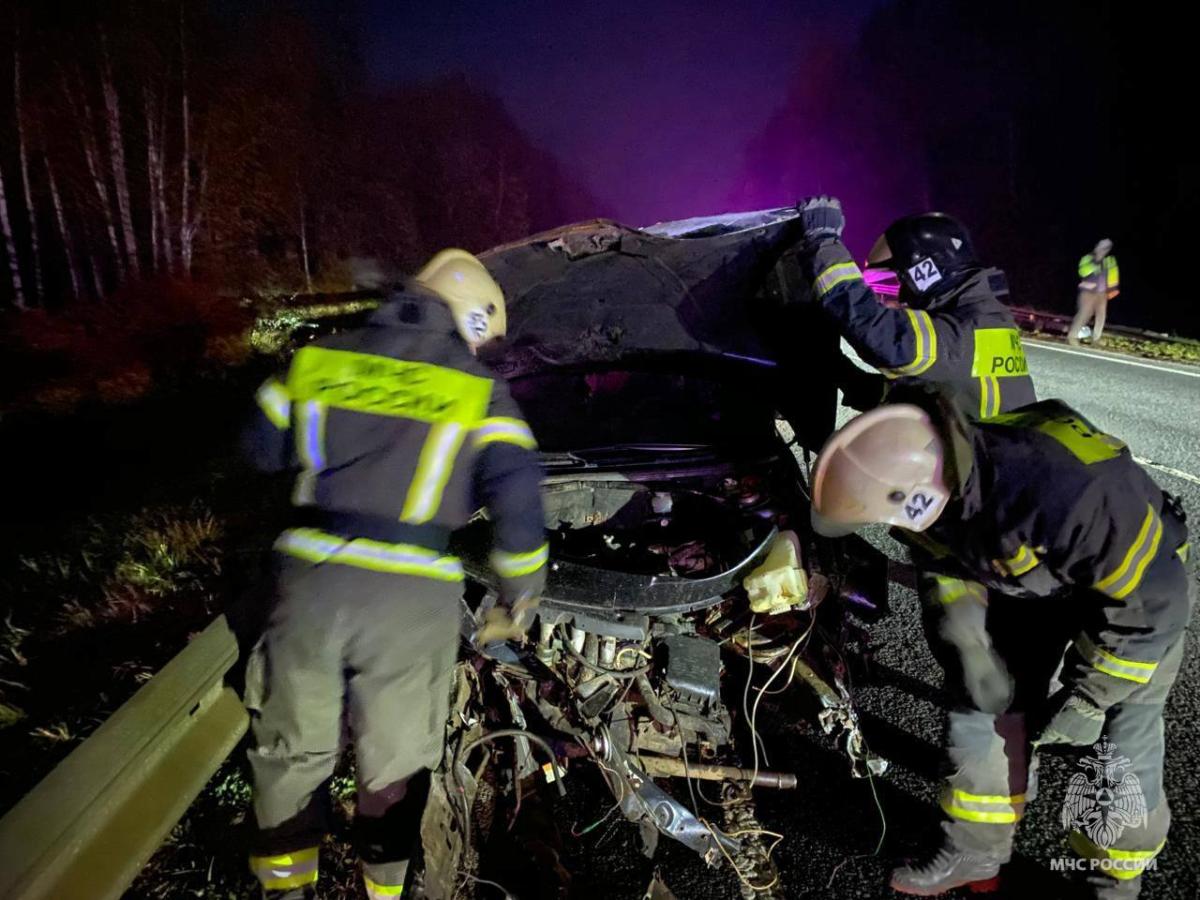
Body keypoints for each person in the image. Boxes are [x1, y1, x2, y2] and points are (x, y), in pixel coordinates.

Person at [241, 249, 548, 899]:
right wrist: (518, 594)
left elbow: (258, 451)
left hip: (308, 582)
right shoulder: (478, 389)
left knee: (291, 752)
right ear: (473, 322)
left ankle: (286, 891)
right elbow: (519, 494)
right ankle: (383, 892)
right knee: (395, 764)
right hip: (410, 600)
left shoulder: (316, 358)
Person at [810, 395, 1191, 898]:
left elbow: (1152, 607)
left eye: (892, 518)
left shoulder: (1065, 493)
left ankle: (1114, 879)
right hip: (1036, 580)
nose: (895, 530)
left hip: (1134, 602)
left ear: (918, 492)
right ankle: (974, 850)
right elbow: (946, 563)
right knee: (983, 706)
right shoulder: (943, 477)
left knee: (1119, 746)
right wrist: (966, 640)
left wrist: (1089, 697)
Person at [792, 196, 1036, 419]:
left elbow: (882, 336)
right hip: (984, 453)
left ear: (926, 270)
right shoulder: (987, 318)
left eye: (901, 279)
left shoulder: (968, 328)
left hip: (978, 464)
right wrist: (844, 374)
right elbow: (934, 393)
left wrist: (823, 242)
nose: (900, 292)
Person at [1070, 239, 1120, 346]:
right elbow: (1082, 271)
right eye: (1102, 247)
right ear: (1097, 247)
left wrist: (1112, 290)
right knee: (1085, 313)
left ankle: (1096, 339)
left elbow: (1113, 276)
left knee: (1101, 316)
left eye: (1106, 248)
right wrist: (1095, 265)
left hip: (1102, 293)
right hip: (1088, 291)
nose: (1104, 250)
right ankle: (1073, 336)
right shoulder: (1088, 258)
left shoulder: (1110, 261)